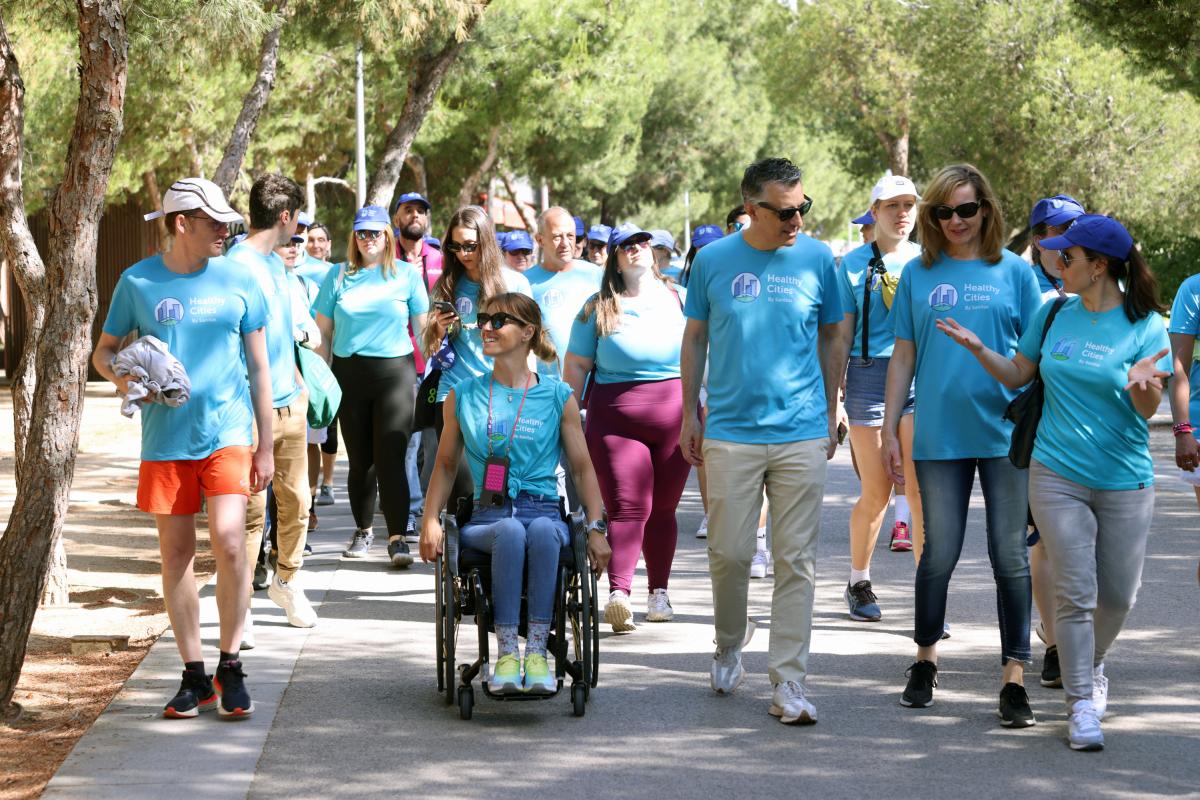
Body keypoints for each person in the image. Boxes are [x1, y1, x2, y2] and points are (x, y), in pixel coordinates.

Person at [937, 214, 1169, 751]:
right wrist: (977, 348)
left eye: (1068, 257)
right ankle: (1081, 703)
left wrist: (1141, 385)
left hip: (1125, 478)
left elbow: (1146, 407)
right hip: (1056, 471)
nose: (1056, 263)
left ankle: (1093, 662)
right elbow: (1020, 374)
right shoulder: (1055, 313)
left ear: (1099, 265)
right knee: (1076, 591)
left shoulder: (1143, 326)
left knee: (1119, 597)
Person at [92, 177, 273, 718]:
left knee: (231, 541)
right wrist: (128, 383)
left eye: (227, 223)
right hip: (165, 440)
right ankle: (194, 676)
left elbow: (260, 367)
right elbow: (104, 353)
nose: (226, 231)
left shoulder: (241, 278)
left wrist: (264, 446)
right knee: (176, 555)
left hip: (229, 432)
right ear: (180, 223)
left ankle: (231, 664)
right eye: (214, 223)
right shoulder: (137, 282)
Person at [680, 157, 847, 725]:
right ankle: (729, 642)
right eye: (783, 210)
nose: (795, 219)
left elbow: (834, 333)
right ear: (749, 207)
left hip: (801, 430)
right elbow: (696, 336)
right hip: (729, 430)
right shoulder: (712, 260)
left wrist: (831, 407)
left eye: (802, 207)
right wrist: (688, 413)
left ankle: (790, 682)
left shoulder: (820, 258)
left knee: (795, 560)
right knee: (729, 553)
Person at [883, 163, 1041, 725]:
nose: (956, 220)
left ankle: (1014, 678)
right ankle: (925, 659)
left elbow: (1034, 357)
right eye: (944, 211)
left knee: (1009, 557)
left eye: (966, 209)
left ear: (986, 210)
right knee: (938, 553)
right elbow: (903, 354)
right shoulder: (918, 274)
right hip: (939, 434)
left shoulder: (1017, 275)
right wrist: (888, 429)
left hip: (1004, 434)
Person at [419, 293, 611, 694]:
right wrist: (430, 519)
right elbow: (446, 464)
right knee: (509, 531)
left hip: (542, 510)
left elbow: (581, 468)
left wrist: (596, 527)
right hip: (487, 516)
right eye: (484, 319)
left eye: (498, 320)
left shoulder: (558, 396)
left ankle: (538, 653)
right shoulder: (462, 395)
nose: (486, 327)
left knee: (540, 530)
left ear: (527, 332)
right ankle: (508, 654)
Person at [564, 223, 691, 632]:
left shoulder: (680, 298)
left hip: (674, 416)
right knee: (630, 506)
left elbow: (705, 353)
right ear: (615, 259)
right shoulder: (596, 306)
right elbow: (577, 367)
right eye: (624, 247)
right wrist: (565, 419)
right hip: (615, 418)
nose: (634, 250)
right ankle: (620, 593)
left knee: (664, 509)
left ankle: (659, 592)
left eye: (641, 243)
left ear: (653, 251)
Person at [313, 205, 429, 566]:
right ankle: (363, 530)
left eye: (375, 232)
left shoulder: (407, 276)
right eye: (361, 233)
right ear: (354, 237)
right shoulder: (337, 276)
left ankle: (397, 538)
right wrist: (319, 379)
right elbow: (323, 335)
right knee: (361, 459)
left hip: (395, 372)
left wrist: (437, 373)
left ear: (387, 236)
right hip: (350, 373)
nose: (368, 240)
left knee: (391, 454)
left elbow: (423, 331)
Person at [225, 175, 317, 632]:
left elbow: (288, 334)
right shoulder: (236, 266)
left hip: (289, 407)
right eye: (297, 218)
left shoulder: (280, 267)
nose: (297, 227)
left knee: (298, 501)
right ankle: (238, 614)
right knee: (252, 513)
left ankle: (287, 581)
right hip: (246, 412)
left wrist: (298, 386)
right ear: (285, 217)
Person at [835, 175, 923, 623]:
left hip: (919, 381)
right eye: (892, 205)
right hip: (869, 378)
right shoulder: (850, 266)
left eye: (909, 204)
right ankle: (858, 580)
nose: (902, 213)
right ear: (874, 212)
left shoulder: (929, 263)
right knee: (878, 491)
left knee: (920, 490)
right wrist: (833, 397)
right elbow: (840, 336)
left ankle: (929, 594)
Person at [422, 205, 534, 511]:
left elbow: (530, 345)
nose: (463, 254)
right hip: (454, 394)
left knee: (494, 487)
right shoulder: (446, 284)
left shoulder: (515, 284)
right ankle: (459, 549)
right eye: (455, 246)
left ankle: (491, 541)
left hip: (502, 396)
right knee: (460, 484)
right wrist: (437, 329)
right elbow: (429, 349)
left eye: (470, 245)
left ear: (486, 240)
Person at [1024, 193, 1086, 689]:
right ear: (1038, 241)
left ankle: (1080, 635)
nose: (1064, 242)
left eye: (1073, 229)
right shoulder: (1027, 286)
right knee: (1043, 539)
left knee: (1089, 545)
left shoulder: (1105, 283)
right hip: (1040, 431)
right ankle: (1051, 642)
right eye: (1055, 233)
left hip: (1094, 434)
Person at [525, 208, 604, 378]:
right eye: (556, 237)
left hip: (593, 387)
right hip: (548, 388)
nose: (565, 243)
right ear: (540, 240)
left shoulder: (595, 275)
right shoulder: (525, 283)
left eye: (570, 236)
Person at [678, 224, 724, 288]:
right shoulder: (684, 278)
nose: (707, 250)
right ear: (694, 250)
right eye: (702, 246)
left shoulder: (732, 275)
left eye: (713, 245)